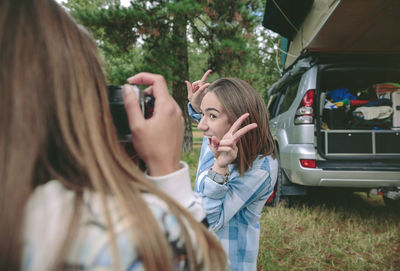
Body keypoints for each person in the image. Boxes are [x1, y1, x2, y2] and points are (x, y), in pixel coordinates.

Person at [0, 0, 227, 270]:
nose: (202, 124)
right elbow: (203, 259)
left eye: (212, 116)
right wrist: (167, 170)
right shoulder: (113, 236)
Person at [185, 71, 278, 271]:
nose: (201, 126)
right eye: (203, 115)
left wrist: (219, 169)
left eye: (211, 115)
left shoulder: (261, 168)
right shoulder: (217, 136)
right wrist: (197, 106)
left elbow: (210, 222)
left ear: (238, 120)